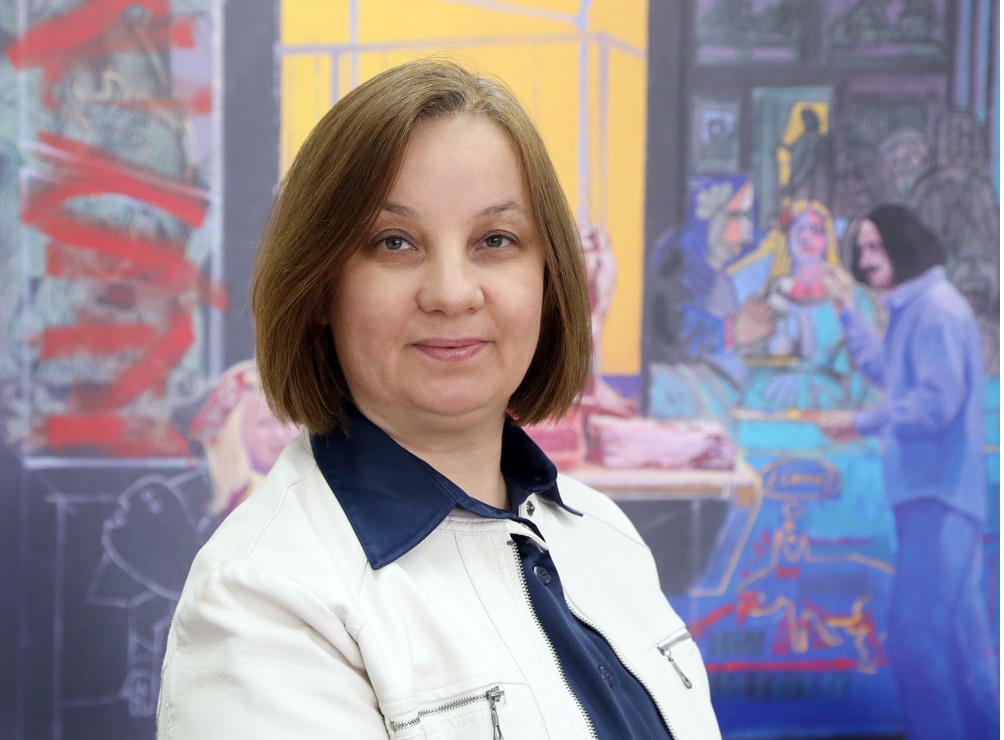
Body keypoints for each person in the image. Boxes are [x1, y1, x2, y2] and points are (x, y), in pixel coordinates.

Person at [157, 59, 721, 739]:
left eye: (496, 240)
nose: (452, 293)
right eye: (394, 242)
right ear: (319, 288)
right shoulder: (265, 600)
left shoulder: (603, 535)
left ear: (549, 279)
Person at [818, 204, 999, 740]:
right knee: (963, 647)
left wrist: (861, 422)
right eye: (862, 249)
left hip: (937, 501)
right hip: (937, 500)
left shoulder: (936, 311)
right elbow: (886, 371)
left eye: (876, 247)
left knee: (916, 640)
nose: (867, 260)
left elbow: (934, 406)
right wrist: (847, 310)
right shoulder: (915, 307)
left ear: (904, 245)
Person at [731, 200, 879, 410]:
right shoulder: (770, 299)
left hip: (835, 403)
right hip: (770, 400)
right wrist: (747, 342)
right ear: (787, 240)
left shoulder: (852, 297)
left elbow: (870, 362)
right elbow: (751, 363)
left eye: (816, 230)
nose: (806, 236)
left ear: (828, 240)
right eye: (799, 229)